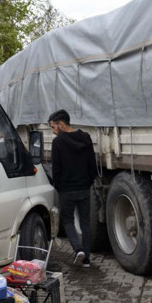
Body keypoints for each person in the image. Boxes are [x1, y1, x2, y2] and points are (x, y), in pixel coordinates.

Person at [48, 109, 97, 268]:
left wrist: (58, 185)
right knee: (85, 223)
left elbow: (56, 168)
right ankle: (87, 260)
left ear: (61, 125)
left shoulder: (58, 143)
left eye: (53, 127)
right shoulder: (86, 138)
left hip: (66, 190)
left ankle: (78, 249)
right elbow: (92, 164)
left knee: (67, 220)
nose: (53, 131)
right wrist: (89, 182)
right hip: (84, 187)